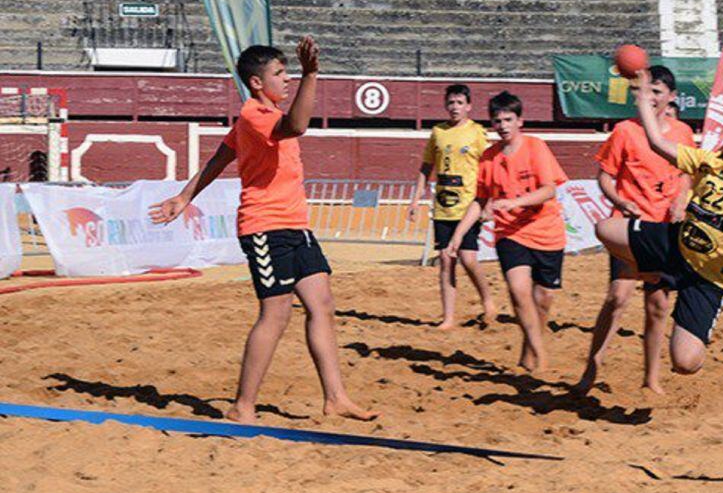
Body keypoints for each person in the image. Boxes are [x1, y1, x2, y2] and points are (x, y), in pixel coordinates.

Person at [149, 37, 376, 423]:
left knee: (322, 305)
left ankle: (335, 397)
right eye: (279, 73)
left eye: (288, 72)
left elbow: (222, 156)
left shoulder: (254, 118)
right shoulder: (255, 114)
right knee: (276, 314)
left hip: (296, 225)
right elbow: (298, 125)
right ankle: (243, 406)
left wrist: (185, 196)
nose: (286, 80)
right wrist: (311, 74)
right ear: (257, 83)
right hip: (264, 229)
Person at [596, 69, 723, 377]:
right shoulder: (710, 161)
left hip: (712, 278)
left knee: (686, 362)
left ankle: (668, 285)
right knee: (605, 229)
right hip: (678, 246)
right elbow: (655, 141)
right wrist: (642, 100)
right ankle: (655, 272)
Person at [574, 66, 696, 395]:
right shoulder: (625, 131)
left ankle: (651, 378)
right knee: (618, 296)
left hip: (663, 227)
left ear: (671, 96)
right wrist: (620, 201)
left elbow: (688, 173)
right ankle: (592, 369)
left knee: (657, 305)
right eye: (647, 91)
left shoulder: (683, 133)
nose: (651, 97)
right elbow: (605, 177)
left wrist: (682, 198)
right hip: (630, 225)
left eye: (658, 92)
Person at [446, 91, 568, 372]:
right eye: (497, 120)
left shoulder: (536, 147)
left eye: (508, 119)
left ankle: (529, 348)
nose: (502, 125)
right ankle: (540, 354)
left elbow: (549, 189)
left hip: (547, 231)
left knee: (543, 300)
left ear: (520, 121)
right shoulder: (488, 158)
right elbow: (479, 201)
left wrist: (514, 202)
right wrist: (458, 234)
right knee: (518, 290)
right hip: (510, 234)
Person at [407, 84, 497, 329]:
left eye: (459, 103)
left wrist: (488, 203)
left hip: (468, 207)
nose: (455, 107)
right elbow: (426, 167)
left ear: (468, 106)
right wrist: (415, 199)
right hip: (443, 208)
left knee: (468, 259)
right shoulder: (438, 132)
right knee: (446, 260)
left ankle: (487, 300)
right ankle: (448, 317)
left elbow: (489, 168)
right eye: (451, 103)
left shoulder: (477, 133)